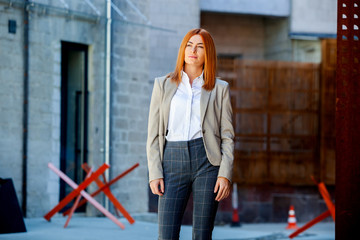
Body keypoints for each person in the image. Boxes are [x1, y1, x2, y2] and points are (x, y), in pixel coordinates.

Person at [146, 28, 234, 240]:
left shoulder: (220, 89)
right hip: (172, 162)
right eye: (189, 45)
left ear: (208, 54)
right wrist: (155, 172)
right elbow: (153, 135)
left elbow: (227, 135)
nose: (193, 50)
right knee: (166, 235)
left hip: (207, 162)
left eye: (200, 46)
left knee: (202, 234)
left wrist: (225, 173)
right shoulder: (163, 85)